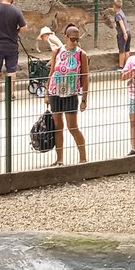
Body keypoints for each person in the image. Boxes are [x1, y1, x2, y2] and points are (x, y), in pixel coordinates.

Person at [46, 24, 89, 165]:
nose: (75, 42)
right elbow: (51, 72)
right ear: (65, 37)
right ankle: (59, 159)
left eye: (77, 39)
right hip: (55, 91)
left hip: (71, 93)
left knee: (72, 126)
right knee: (58, 125)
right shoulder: (57, 51)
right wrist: (47, 93)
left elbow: (85, 77)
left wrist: (84, 98)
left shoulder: (81, 54)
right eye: (72, 39)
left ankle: (83, 158)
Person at [110, 0, 130, 69]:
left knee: (122, 51)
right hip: (128, 32)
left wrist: (124, 33)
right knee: (127, 50)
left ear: (114, 6)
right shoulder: (121, 11)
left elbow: (121, 24)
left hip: (122, 34)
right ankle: (127, 65)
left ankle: (121, 66)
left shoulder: (117, 15)